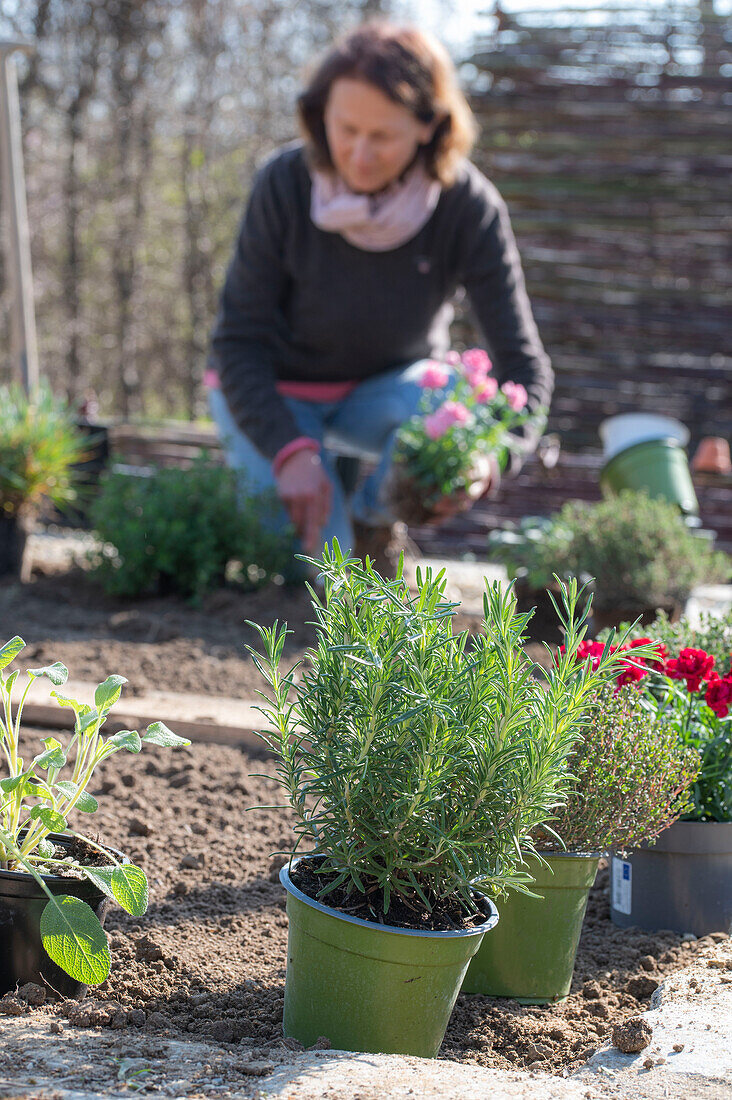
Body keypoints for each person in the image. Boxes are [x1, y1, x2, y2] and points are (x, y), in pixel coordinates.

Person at [207, 22, 553, 569]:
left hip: (388, 392)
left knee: (452, 405)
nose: (359, 154)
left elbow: (523, 369)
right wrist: (291, 452)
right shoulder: (283, 184)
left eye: (382, 136)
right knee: (321, 580)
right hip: (276, 395)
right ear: (320, 114)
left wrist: (490, 456)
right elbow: (237, 342)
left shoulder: (468, 206)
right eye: (346, 129)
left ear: (429, 127)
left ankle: (376, 518)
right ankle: (329, 533)